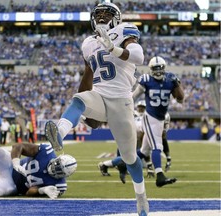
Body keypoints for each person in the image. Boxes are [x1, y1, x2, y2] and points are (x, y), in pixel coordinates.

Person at [44, 2, 149, 216]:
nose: (101, 16)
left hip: (122, 101)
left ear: (116, 17)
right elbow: (88, 74)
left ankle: (141, 199)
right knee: (78, 100)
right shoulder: (88, 43)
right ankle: (59, 133)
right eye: (98, 13)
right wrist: (88, 111)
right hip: (99, 95)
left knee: (130, 158)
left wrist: (113, 47)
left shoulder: (123, 30)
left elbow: (139, 57)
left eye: (107, 13)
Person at [133, 56, 184, 187]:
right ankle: (159, 176)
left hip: (160, 119)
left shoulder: (170, 80)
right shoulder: (146, 80)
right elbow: (133, 96)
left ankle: (117, 163)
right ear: (150, 69)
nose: (157, 71)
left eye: (159, 68)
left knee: (143, 152)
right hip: (150, 117)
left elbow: (180, 99)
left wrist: (177, 84)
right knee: (157, 146)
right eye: (155, 68)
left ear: (164, 68)